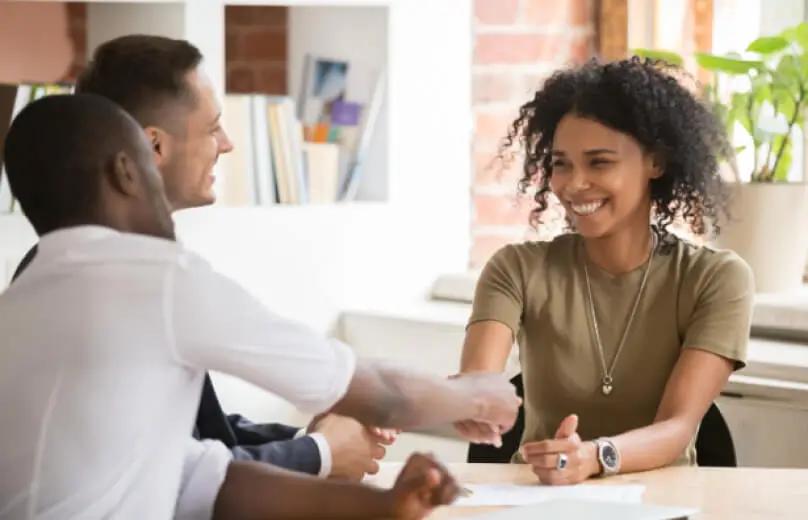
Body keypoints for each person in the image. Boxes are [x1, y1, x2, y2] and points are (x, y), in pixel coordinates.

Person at [0, 93, 516, 517]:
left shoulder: (19, 305)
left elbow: (207, 481)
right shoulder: (156, 277)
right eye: (147, 165)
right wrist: (479, 394)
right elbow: (381, 395)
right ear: (125, 173)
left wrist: (379, 505)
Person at [9, 34, 388, 482]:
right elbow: (176, 475)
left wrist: (312, 437)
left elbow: (205, 434)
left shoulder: (96, 263)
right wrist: (318, 453)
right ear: (154, 147)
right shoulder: (119, 281)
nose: (226, 144)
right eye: (212, 128)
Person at [455, 56, 755, 485]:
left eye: (599, 162)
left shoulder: (716, 279)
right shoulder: (516, 269)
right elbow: (479, 379)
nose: (574, 184)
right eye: (561, 163)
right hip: (541, 502)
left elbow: (678, 427)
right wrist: (471, 401)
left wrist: (596, 456)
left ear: (656, 162)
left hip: (666, 502)